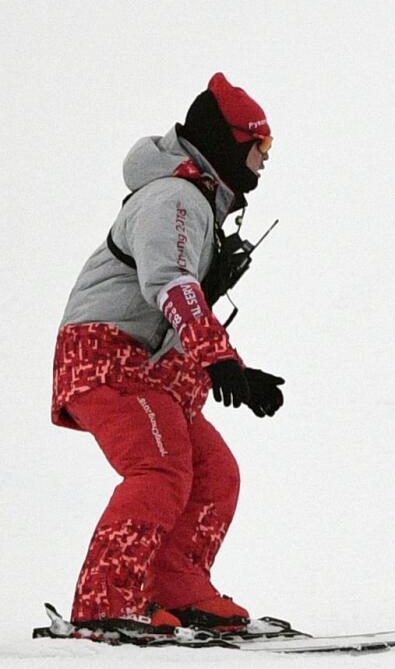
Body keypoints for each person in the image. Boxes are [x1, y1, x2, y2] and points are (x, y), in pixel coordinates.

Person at [51, 72, 285, 635]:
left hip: (146, 366)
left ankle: (176, 590)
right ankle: (106, 604)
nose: (264, 161)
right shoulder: (173, 197)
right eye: (261, 147)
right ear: (230, 142)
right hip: (106, 356)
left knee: (214, 473)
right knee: (159, 468)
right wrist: (218, 357)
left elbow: (179, 298)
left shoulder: (199, 203)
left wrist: (235, 368)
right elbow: (170, 284)